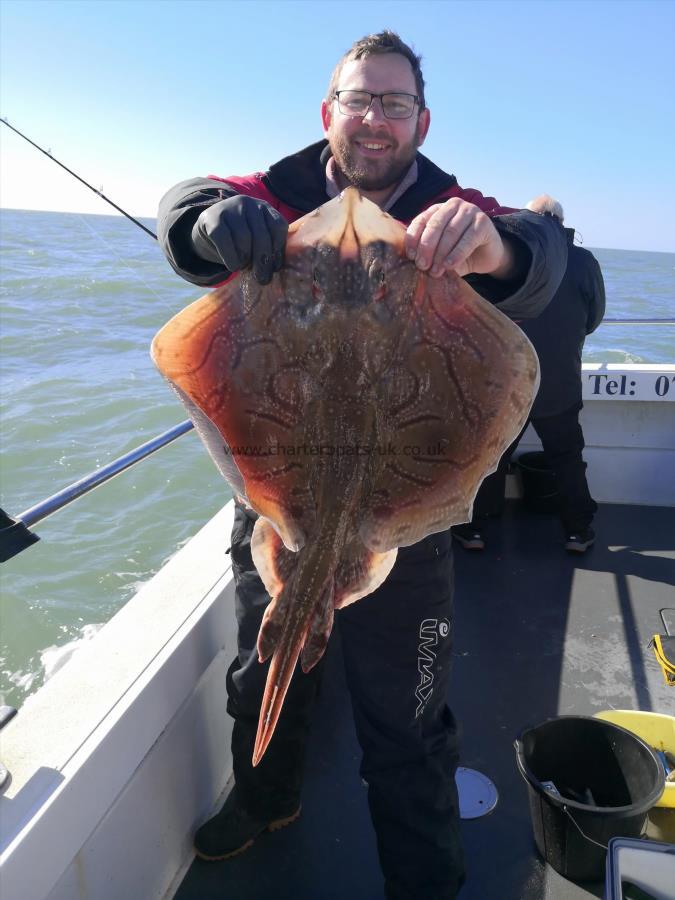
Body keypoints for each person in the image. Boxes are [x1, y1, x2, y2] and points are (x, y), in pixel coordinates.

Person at [157, 31, 566, 900]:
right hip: (277, 493)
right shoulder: (280, 191)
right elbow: (188, 212)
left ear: (420, 121)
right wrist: (205, 222)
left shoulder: (452, 204)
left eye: (393, 103)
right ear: (328, 112)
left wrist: (491, 247)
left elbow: (542, 258)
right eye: (359, 99)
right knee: (263, 659)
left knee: (407, 715)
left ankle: (424, 879)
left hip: (401, 515)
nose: (374, 118)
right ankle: (265, 798)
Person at [451, 194, 605, 554]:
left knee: (493, 457)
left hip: (506, 381)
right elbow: (594, 316)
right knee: (567, 457)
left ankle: (474, 529)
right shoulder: (584, 262)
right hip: (559, 382)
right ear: (562, 225)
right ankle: (578, 532)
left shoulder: (502, 260)